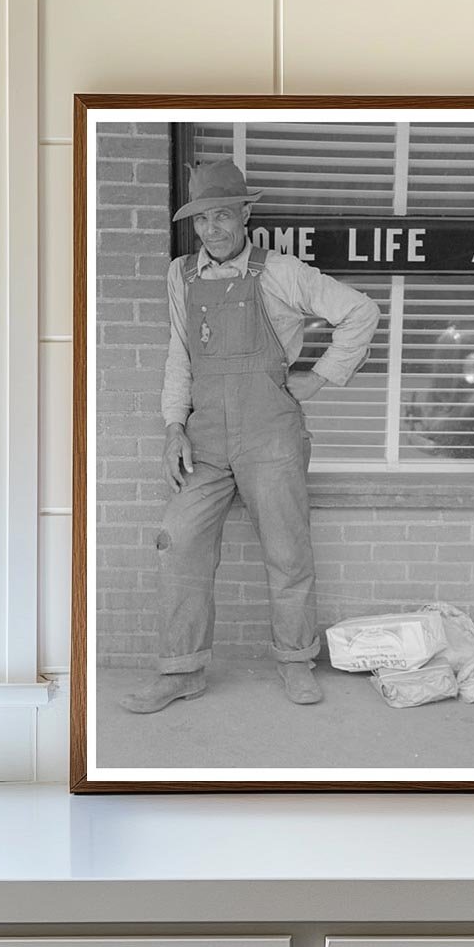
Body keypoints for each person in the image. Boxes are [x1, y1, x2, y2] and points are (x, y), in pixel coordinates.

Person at [120, 158, 380, 714]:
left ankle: (295, 662)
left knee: (287, 551)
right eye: (202, 219)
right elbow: (179, 357)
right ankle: (181, 671)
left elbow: (360, 311)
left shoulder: (282, 271)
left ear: (244, 215)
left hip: (271, 433)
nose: (212, 229)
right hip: (205, 435)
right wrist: (173, 429)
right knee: (179, 540)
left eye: (222, 215)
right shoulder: (180, 275)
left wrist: (321, 378)